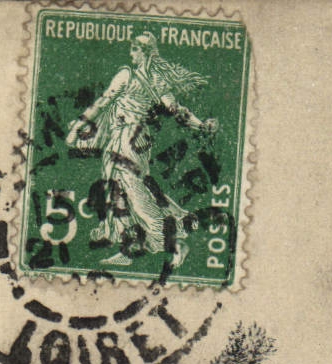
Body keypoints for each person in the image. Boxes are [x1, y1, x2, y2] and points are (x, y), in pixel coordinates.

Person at [65, 33, 218, 268]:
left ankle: (174, 243)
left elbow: (102, 102)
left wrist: (77, 127)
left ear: (145, 51)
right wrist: (201, 125)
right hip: (136, 141)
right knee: (121, 191)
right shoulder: (157, 81)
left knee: (134, 195)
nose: (131, 54)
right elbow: (179, 111)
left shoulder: (127, 75)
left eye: (134, 49)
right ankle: (130, 247)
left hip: (126, 140)